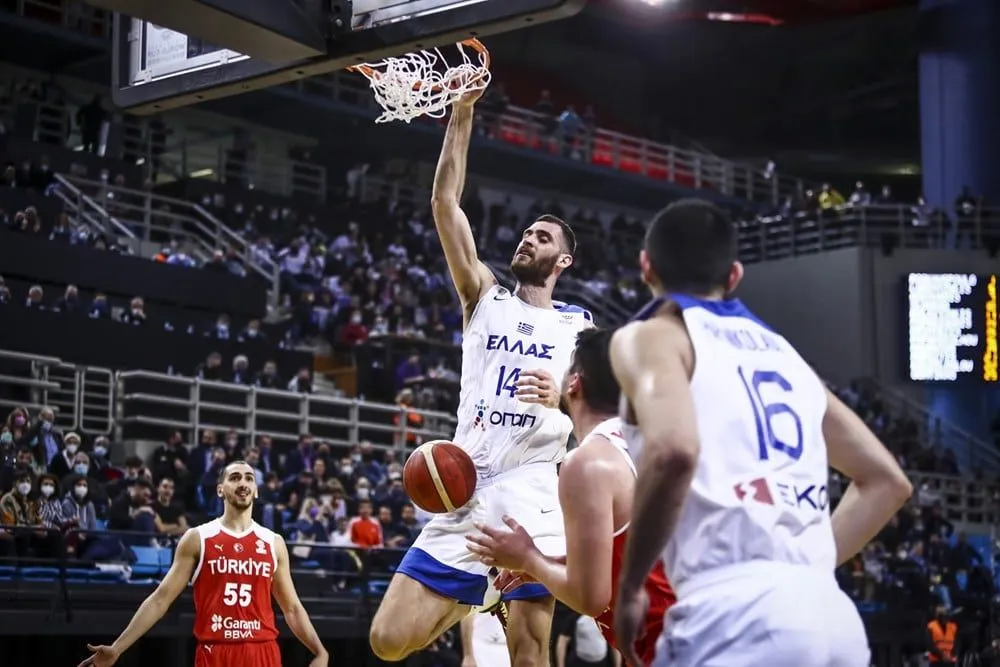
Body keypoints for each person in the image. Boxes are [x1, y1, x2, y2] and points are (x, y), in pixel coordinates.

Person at [609, 199, 913, 667]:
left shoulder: (652, 335)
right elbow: (889, 483)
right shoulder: (790, 359)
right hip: (832, 617)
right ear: (734, 276)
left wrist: (630, 588)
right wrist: (797, 575)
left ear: (645, 266)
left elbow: (673, 450)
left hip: (732, 614)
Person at [368, 82, 594, 665]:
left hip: (534, 494)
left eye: (542, 237)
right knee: (389, 640)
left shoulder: (581, 332)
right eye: (525, 232)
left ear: (562, 260)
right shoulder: (484, 297)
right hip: (466, 486)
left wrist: (564, 400)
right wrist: (461, 114)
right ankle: (483, 592)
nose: (527, 238)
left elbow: (611, 420)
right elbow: (445, 206)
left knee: (528, 651)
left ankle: (499, 586)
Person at [466, 328, 674, 666]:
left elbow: (591, 597)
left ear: (574, 383)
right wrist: (552, 564)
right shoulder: (647, 445)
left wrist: (528, 557)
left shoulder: (587, 461)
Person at [78, 461, 329, 667]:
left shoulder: (273, 542)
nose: (243, 483)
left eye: (249, 478)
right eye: (235, 478)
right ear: (220, 489)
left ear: (256, 490)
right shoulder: (198, 538)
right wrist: (117, 648)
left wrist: (320, 652)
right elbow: (160, 599)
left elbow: (292, 608)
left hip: (262, 651)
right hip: (215, 651)